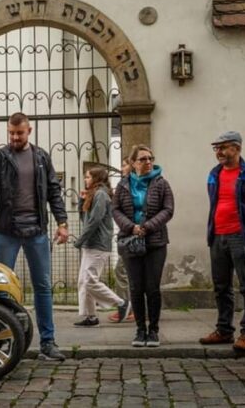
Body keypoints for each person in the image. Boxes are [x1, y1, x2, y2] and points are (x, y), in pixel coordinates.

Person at [0, 112, 69, 361]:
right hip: (7, 232)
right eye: (11, 133)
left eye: (19, 133)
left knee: (43, 287)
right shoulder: (1, 157)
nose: (14, 137)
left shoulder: (41, 158)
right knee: (0, 288)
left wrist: (62, 222)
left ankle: (48, 343)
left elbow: (54, 192)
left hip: (37, 231)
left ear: (29, 131)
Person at [200, 131, 245, 353]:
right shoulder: (214, 174)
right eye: (216, 148)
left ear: (237, 148)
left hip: (242, 236)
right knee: (221, 286)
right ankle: (224, 329)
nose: (219, 152)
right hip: (218, 236)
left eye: (224, 147)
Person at [113, 145, 174, 347]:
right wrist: (131, 227)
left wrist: (147, 227)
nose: (148, 162)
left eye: (150, 158)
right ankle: (140, 330)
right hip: (131, 241)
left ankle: (154, 330)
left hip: (155, 242)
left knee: (152, 287)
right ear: (133, 163)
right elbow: (116, 210)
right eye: (142, 159)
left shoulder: (161, 183)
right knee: (136, 288)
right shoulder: (123, 185)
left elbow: (168, 209)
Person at [73, 167, 129, 327]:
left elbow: (94, 221)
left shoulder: (101, 195)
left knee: (90, 281)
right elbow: (84, 218)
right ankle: (91, 316)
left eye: (88, 177)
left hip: (98, 244)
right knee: (83, 281)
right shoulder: (93, 195)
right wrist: (82, 201)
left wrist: (80, 240)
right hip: (90, 244)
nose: (85, 180)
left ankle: (121, 303)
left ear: (97, 178)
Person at [108, 158, 135, 324]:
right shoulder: (126, 184)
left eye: (124, 165)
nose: (121, 168)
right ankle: (132, 308)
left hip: (131, 235)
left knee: (122, 271)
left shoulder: (127, 184)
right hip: (128, 234)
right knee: (127, 272)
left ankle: (126, 308)